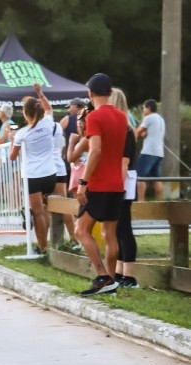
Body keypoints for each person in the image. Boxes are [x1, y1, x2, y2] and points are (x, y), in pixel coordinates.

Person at [74, 73, 128, 296]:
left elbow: (95, 150)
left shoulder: (94, 117)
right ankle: (112, 282)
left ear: (90, 93)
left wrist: (82, 182)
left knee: (81, 230)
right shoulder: (122, 117)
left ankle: (102, 276)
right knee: (110, 235)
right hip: (117, 183)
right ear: (111, 92)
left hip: (98, 183)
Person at [9, 96, 57, 254]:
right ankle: (46, 244)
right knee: (44, 210)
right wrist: (40, 94)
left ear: (25, 113)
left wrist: (11, 140)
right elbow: (49, 108)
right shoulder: (49, 123)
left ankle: (42, 247)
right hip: (50, 174)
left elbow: (12, 156)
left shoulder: (22, 133)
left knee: (38, 213)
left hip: (33, 176)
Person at [34, 84, 77, 244]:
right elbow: (48, 108)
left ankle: (43, 244)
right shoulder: (57, 126)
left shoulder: (35, 129)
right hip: (59, 168)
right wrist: (40, 93)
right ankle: (73, 239)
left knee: (43, 208)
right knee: (64, 205)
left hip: (43, 170)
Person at [109, 88, 140, 289]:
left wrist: (117, 188)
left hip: (123, 182)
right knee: (119, 228)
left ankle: (129, 275)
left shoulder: (125, 129)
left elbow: (124, 162)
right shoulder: (122, 128)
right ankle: (120, 271)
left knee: (125, 227)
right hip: (120, 181)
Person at [135, 99, 166, 202]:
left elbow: (138, 133)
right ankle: (159, 202)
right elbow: (147, 134)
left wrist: (138, 127)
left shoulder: (149, 118)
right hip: (159, 152)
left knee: (140, 177)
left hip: (148, 151)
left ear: (148, 108)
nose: (143, 110)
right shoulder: (160, 119)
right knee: (157, 179)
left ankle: (141, 201)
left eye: (144, 108)